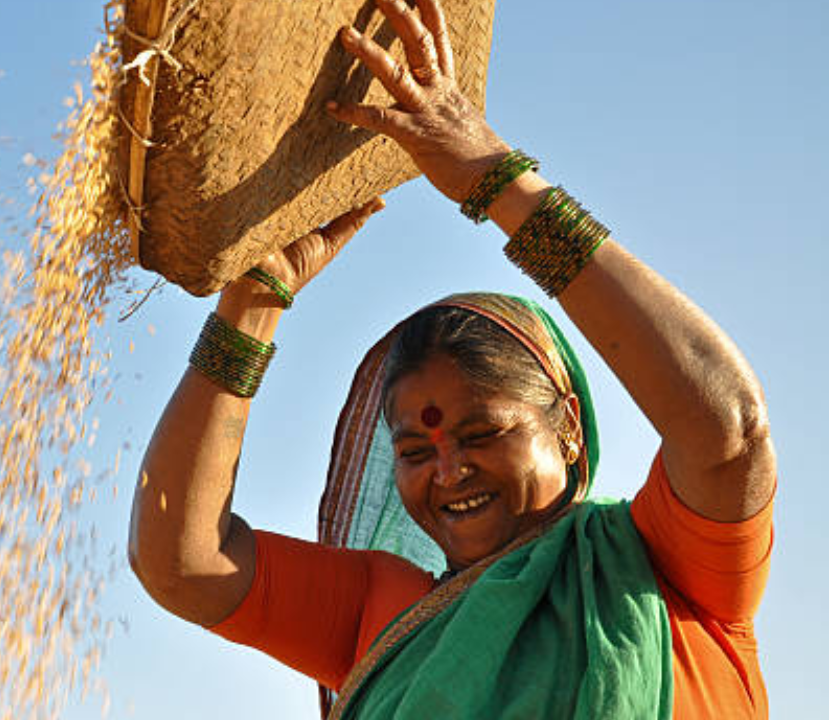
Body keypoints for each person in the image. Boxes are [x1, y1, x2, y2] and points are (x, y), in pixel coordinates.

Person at [128, 0, 775, 717]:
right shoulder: (391, 611)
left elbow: (728, 429)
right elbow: (182, 564)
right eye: (412, 449)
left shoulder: (666, 566)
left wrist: (492, 178)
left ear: (565, 425)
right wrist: (249, 313)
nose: (447, 471)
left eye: (481, 434)